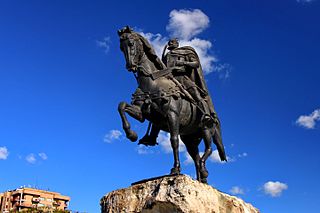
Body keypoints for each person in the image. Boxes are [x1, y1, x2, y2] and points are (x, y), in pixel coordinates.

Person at [139, 38, 218, 146]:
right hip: (168, 80)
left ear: (177, 44)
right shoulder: (166, 56)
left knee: (196, 94)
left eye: (172, 42)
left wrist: (183, 63)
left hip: (183, 78)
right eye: (169, 42)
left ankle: (206, 115)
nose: (170, 43)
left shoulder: (186, 51)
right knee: (157, 102)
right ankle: (152, 136)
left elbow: (195, 63)